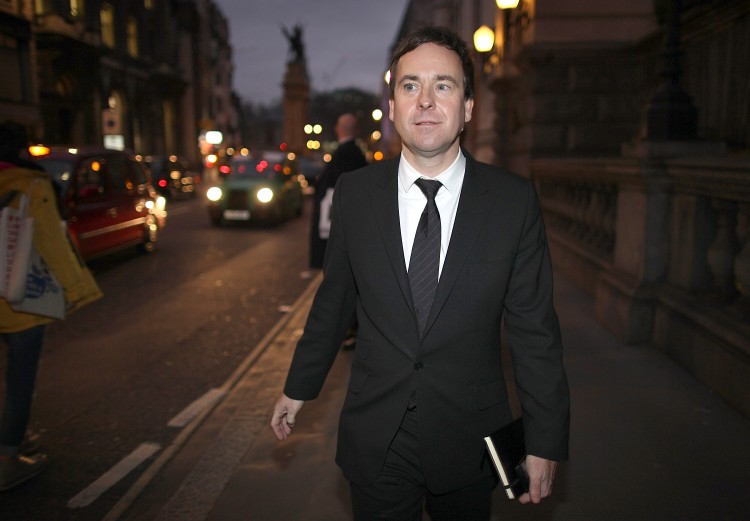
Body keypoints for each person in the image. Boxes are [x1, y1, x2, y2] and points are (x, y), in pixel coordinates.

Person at [271, 26, 569, 521]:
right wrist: (298, 385)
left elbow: (534, 331)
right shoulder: (356, 195)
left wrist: (544, 439)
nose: (425, 100)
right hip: (378, 437)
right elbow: (334, 300)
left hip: (469, 436)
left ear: (468, 107)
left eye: (443, 85)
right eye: (410, 86)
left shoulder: (512, 202)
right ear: (392, 107)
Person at [0, 121, 102, 491]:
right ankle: (8, 458)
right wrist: (77, 290)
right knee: (19, 380)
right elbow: (53, 245)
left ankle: (12, 438)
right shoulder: (32, 185)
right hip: (20, 299)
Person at [309, 112, 368, 269]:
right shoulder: (354, 152)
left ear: (338, 129)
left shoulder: (344, 152)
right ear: (356, 130)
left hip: (335, 224)